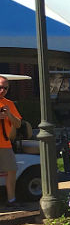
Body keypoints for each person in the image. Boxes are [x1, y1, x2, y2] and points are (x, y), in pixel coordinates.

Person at [0, 76, 23, 208]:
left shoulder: (9, 104)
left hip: (5, 144)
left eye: (5, 88)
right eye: (0, 87)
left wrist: (9, 114)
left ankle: (11, 200)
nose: (2, 90)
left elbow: (18, 124)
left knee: (12, 170)